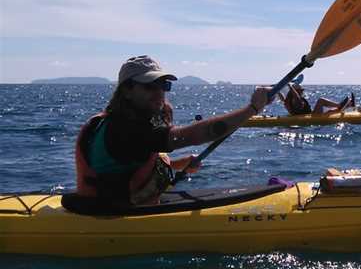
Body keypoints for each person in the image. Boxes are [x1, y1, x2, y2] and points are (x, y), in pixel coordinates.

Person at [75, 55, 272, 205]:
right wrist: (252, 109)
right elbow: (197, 135)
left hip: (108, 202)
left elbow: (123, 166)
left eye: (163, 85)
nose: (159, 92)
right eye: (149, 86)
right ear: (126, 90)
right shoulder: (126, 129)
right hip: (113, 212)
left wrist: (178, 164)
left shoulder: (121, 121)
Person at [277, 82, 354, 115]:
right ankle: (339, 105)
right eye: (300, 91)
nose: (302, 92)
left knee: (330, 111)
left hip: (310, 114)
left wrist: (277, 91)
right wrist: (290, 86)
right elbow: (296, 96)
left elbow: (283, 99)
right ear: (296, 91)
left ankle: (348, 106)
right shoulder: (296, 100)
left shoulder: (288, 101)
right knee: (320, 101)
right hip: (311, 116)